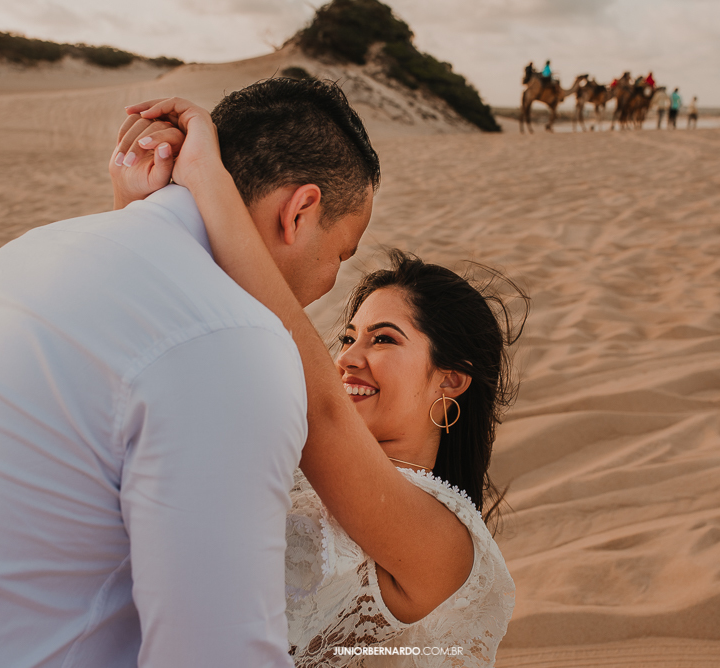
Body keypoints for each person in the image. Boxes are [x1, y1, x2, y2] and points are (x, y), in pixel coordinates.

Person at [0, 78, 379, 667]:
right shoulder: (232, 343)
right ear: (300, 211)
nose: (334, 279)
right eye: (342, 252)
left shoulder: (6, 261)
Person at [114, 96, 524, 665]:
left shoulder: (446, 544)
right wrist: (138, 206)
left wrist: (210, 181)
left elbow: (323, 408)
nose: (348, 357)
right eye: (348, 337)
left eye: (384, 339)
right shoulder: (283, 465)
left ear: (450, 382)